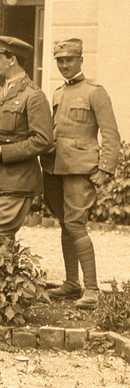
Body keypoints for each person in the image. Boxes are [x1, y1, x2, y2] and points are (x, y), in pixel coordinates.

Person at [42, 38, 121, 308]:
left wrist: (105, 169)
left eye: (69, 60)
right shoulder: (58, 93)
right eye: (60, 61)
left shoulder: (95, 92)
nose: (64, 65)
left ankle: (91, 289)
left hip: (80, 169)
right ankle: (71, 283)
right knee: (65, 224)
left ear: (80, 60)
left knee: (75, 224)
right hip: (54, 167)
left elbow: (110, 133)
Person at [0, 36, 53, 251]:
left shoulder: (34, 96)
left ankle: (1, 281)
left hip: (18, 178)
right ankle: (5, 282)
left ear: (12, 60)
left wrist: (3, 151)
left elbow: (43, 140)